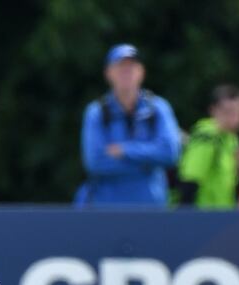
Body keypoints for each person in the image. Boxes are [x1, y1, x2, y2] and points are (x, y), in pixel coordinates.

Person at [74, 44, 182, 207]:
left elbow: (170, 153)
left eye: (131, 67)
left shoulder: (158, 108)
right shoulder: (96, 112)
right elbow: (95, 162)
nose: (126, 72)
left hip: (151, 211)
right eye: (120, 67)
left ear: (141, 72)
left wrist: (125, 150)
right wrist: (149, 163)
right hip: (107, 211)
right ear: (108, 73)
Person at [177, 85, 239, 209]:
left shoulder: (230, 140)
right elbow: (191, 178)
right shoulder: (207, 136)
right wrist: (185, 216)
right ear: (213, 110)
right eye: (229, 112)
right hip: (202, 214)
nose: (235, 118)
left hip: (221, 214)